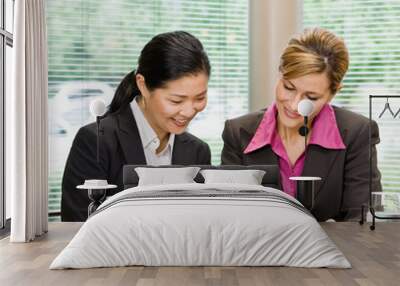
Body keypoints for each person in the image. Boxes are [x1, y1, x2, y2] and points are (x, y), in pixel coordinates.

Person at [221, 28, 381, 221]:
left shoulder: (357, 133)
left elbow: (362, 222)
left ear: (333, 93)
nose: (295, 105)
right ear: (280, 74)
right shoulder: (238, 133)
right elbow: (231, 219)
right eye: (289, 87)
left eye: (311, 97)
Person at [62, 31, 212, 221]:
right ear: (142, 85)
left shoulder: (198, 151)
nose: (189, 111)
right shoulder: (96, 140)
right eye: (176, 100)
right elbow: (79, 225)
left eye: (200, 98)